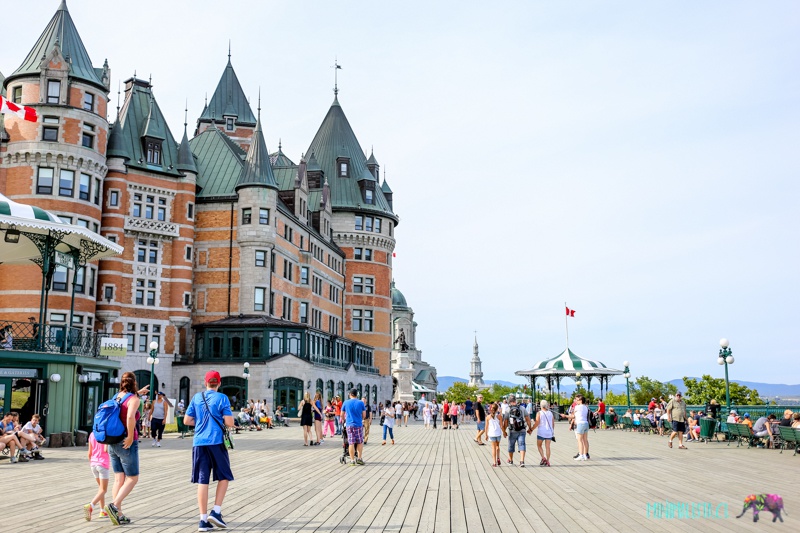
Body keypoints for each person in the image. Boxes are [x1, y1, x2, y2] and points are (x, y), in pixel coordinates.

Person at [184, 370, 234, 532]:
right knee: (224, 476)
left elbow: (187, 420)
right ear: (219, 383)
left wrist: (201, 424)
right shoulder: (222, 398)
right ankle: (216, 511)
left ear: (205, 383)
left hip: (199, 443)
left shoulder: (197, 398)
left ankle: (203, 520)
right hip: (216, 442)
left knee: (202, 479)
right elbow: (229, 422)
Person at [104, 372, 148, 526]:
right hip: (126, 441)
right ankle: (114, 506)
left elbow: (123, 405)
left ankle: (118, 514)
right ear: (134, 382)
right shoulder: (134, 399)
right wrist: (130, 436)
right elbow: (130, 417)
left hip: (112, 441)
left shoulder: (117, 396)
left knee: (118, 478)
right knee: (132, 478)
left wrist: (138, 393)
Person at [84, 430, 110, 521]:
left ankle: (102, 510)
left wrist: (92, 462)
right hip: (103, 464)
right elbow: (106, 449)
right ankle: (91, 505)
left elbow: (89, 452)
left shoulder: (92, 434)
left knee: (101, 489)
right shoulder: (107, 433)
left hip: (93, 464)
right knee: (104, 489)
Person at [502, 394, 532, 467]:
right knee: (522, 444)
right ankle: (522, 461)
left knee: (511, 445)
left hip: (512, 430)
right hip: (522, 429)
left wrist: (504, 431)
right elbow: (528, 419)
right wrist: (530, 428)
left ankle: (511, 460)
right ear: (515, 400)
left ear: (509, 401)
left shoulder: (508, 409)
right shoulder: (522, 408)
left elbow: (505, 422)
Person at [342, 389, 366, 465]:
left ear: (350, 394)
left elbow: (341, 414)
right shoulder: (361, 403)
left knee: (351, 442)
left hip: (349, 425)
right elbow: (364, 415)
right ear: (357, 395)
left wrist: (344, 421)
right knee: (360, 442)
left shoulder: (346, 402)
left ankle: (352, 460)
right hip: (358, 425)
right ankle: (359, 458)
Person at [531, 399, 555, 467]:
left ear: (541, 406)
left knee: (539, 445)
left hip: (541, 432)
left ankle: (543, 457)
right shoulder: (550, 413)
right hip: (549, 432)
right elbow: (553, 423)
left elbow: (537, 423)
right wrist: (552, 431)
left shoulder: (539, 413)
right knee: (548, 447)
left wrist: (531, 429)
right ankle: (548, 460)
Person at [567, 395, 590, 461]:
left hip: (580, 424)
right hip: (586, 423)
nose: (575, 401)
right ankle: (585, 454)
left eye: (577, 400)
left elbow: (572, 416)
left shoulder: (577, 407)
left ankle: (581, 455)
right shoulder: (586, 407)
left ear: (581, 400)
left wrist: (565, 416)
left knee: (579, 440)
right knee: (585, 440)